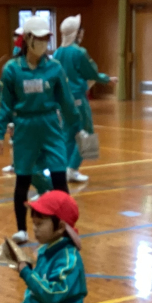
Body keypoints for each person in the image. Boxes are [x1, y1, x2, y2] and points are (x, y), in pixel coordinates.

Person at [0, 16, 78, 244]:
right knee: (22, 179)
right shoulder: (12, 69)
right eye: (39, 38)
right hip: (25, 127)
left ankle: (66, 226)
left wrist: (77, 126)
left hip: (50, 125)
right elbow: (5, 104)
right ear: (28, 39)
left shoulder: (54, 68)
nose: (43, 43)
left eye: (46, 39)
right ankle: (21, 229)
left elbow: (67, 101)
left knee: (60, 177)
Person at [53, 15, 117, 183]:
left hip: (63, 100)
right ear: (76, 33)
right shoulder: (79, 52)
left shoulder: (57, 53)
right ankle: (73, 169)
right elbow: (91, 73)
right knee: (87, 133)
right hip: (78, 99)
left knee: (68, 134)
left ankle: (65, 169)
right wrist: (106, 79)